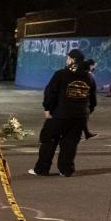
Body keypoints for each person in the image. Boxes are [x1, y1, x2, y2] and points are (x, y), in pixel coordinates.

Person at [30, 48, 96, 177]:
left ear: (72, 59)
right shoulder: (89, 77)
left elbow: (50, 92)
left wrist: (47, 108)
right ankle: (66, 170)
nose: (66, 60)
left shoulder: (61, 74)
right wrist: (86, 112)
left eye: (68, 58)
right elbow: (92, 100)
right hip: (80, 117)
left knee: (48, 139)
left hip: (60, 114)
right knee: (70, 143)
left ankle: (42, 169)